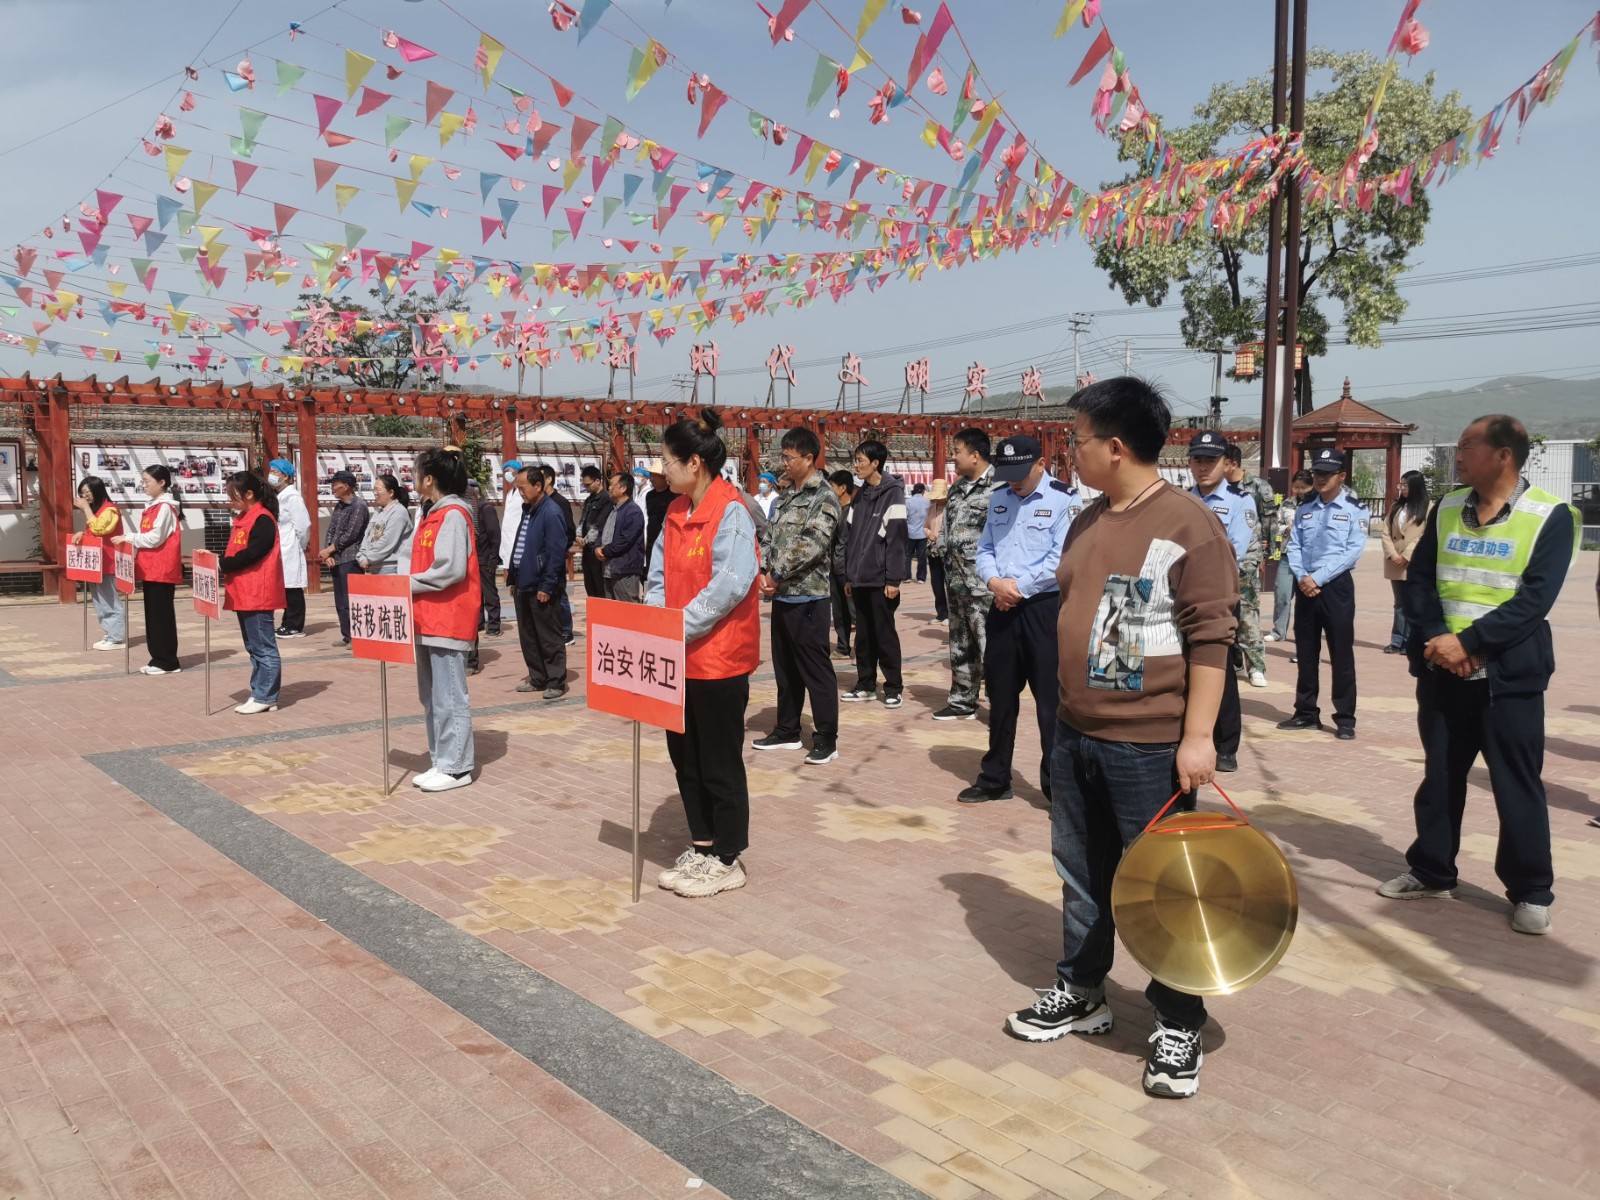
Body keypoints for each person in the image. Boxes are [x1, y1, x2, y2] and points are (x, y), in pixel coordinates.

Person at [1004, 377, 1238, 1102]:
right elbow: (1098, 616)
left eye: (1075, 439)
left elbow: (1212, 638)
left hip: (1148, 747)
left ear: (1114, 446)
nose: (1068, 452)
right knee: (1080, 874)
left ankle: (1178, 1020)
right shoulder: (1087, 519)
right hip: (1076, 733)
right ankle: (1082, 990)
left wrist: (1198, 737)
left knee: (1163, 886)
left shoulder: (1189, 526)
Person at [1380, 415, 1579, 935]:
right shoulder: (1447, 508)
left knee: (1516, 783)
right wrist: (1440, 639)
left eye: (1468, 446)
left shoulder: (1551, 516)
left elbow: (1534, 601)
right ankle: (1432, 871)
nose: (1458, 455)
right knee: (1441, 776)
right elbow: (1420, 581)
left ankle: (1531, 890)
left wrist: (1468, 643)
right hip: (1442, 669)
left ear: (1503, 455)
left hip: (1508, 679)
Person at [646, 409, 762, 899]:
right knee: (686, 758)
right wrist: (656, 618)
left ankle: (728, 857)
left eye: (668, 461)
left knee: (718, 761)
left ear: (694, 462)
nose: (663, 469)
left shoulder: (731, 511)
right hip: (677, 657)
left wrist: (679, 625)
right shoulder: (674, 510)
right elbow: (657, 575)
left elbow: (729, 585)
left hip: (718, 659)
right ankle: (703, 845)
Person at [958, 436, 1075, 804]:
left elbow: (1062, 559)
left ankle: (1057, 788)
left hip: (1043, 609)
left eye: (1022, 473)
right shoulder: (1000, 498)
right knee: (1001, 696)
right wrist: (995, 583)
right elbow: (985, 549)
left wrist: (1017, 589)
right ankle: (995, 778)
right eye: (1009, 474)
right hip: (1002, 607)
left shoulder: (1064, 499)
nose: (1015, 481)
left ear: (1041, 464)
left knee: (1049, 704)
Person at [753, 427, 843, 766]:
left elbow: (813, 544)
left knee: (815, 670)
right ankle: (787, 730)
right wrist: (764, 570)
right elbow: (769, 536)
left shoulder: (824, 497)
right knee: (785, 669)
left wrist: (775, 574)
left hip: (808, 598)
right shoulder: (787, 496)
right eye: (783, 457)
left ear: (808, 458)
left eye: (789, 458)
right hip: (782, 597)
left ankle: (826, 738)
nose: (785, 463)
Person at [1278, 447, 1368, 740]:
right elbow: (1294, 544)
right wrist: (1302, 576)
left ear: (1341, 476)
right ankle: (1306, 712)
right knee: (1306, 653)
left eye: (1327, 474)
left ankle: (1345, 718)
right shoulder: (1305, 508)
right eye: (1317, 472)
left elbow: (1352, 551)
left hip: (1335, 587)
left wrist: (1317, 577)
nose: (1320, 478)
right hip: (1306, 585)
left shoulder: (1355, 509)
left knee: (1341, 654)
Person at [409, 448, 481, 792]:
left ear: (429, 479)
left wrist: (406, 584)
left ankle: (456, 767)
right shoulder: (432, 513)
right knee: (431, 696)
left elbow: (450, 569)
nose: (412, 477)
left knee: (449, 695)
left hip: (448, 618)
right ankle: (441, 759)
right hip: (427, 616)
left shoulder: (453, 514)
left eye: (416, 472)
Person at [1186, 430, 1255, 772]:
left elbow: (1234, 550)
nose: (1203, 467)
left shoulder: (1241, 502)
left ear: (1226, 464)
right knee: (1183, 667)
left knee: (1219, 669)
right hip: (1183, 595)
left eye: (1211, 461)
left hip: (1218, 596)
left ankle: (1226, 744)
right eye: (1198, 460)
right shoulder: (1182, 500)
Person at [935, 429, 998, 720]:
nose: (953, 457)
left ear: (975, 455)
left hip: (983, 584)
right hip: (956, 580)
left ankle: (1000, 707)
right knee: (960, 644)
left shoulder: (999, 488)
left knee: (990, 646)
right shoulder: (958, 487)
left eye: (957, 451)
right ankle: (962, 700)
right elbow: (948, 527)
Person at [841, 439, 909, 707]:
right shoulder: (860, 496)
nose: (856, 465)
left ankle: (893, 687)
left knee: (884, 635)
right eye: (855, 460)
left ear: (875, 463)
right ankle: (865, 684)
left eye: (860, 460)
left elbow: (897, 540)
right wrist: (849, 576)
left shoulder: (893, 494)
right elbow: (850, 538)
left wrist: (893, 579)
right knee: (863, 636)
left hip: (881, 580)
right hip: (859, 579)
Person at [219, 472, 285, 715]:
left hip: (258, 592)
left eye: (233, 495)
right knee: (253, 646)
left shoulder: (263, 519)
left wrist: (221, 564)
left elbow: (252, 553)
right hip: (244, 590)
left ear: (249, 494)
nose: (229, 500)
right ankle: (260, 692)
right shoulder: (244, 517)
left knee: (263, 646)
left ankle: (265, 695)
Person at [112, 465, 183, 674]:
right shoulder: (154, 506)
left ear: (161, 483)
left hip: (161, 568)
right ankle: (158, 658)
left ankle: (168, 661)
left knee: (161, 616)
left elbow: (155, 538)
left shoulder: (165, 507)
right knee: (153, 616)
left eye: (147, 481)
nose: (143, 485)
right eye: (142, 481)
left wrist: (128, 537)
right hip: (151, 567)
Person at [506, 466, 570, 698]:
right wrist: (513, 576)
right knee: (528, 635)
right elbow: (521, 544)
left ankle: (556, 681)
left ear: (538, 486)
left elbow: (555, 553)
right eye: (518, 488)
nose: (520, 492)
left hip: (541, 585)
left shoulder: (551, 512)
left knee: (548, 635)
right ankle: (537, 677)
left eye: (523, 488)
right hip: (524, 582)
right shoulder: (529, 510)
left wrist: (547, 585)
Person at [1223, 442, 1272, 687]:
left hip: (1247, 561)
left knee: (1248, 613)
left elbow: (1269, 521)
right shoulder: (1214, 490)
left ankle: (1256, 666)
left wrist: (1266, 555)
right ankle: (1235, 661)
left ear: (1230, 463)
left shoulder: (1258, 487)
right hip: (1219, 562)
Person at [71, 476, 125, 650]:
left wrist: (86, 509)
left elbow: (100, 529)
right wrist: (82, 533)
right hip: (96, 563)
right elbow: (94, 531)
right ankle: (110, 633)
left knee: (109, 600)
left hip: (108, 562)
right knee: (99, 601)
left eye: (88, 492)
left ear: (98, 490)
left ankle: (117, 637)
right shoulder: (98, 511)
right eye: (82, 493)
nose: (85, 496)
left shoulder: (110, 510)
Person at [1380, 470, 1429, 654]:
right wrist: (1393, 554)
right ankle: (1397, 641)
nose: (1402, 488)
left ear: (1416, 486)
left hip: (1414, 562)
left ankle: (1410, 642)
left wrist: (1407, 555)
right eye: (1400, 484)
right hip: (1395, 563)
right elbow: (1386, 532)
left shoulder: (1428, 508)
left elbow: (1425, 535)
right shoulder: (1396, 507)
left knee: (1413, 603)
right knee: (1400, 603)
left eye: (1405, 485)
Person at [320, 470, 368, 646]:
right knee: (340, 601)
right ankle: (347, 635)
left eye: (335, 484)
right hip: (336, 559)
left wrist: (329, 550)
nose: (333, 488)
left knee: (352, 600)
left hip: (351, 559)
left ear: (346, 486)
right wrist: (328, 554)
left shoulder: (358, 506)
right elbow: (331, 530)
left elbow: (351, 534)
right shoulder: (339, 506)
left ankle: (357, 637)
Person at [1267, 471, 1313, 643]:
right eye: (1296, 487)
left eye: (1303, 487)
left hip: (1308, 556)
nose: (1299, 491)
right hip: (1288, 554)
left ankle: (1305, 634)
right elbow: (1276, 525)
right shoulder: (1287, 503)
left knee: (1306, 597)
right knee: (1282, 593)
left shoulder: (1316, 503)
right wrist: (1287, 528)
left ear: (1311, 486)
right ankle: (1279, 631)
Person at [269, 460, 311, 639]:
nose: (271, 475)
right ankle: (287, 623)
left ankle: (295, 625)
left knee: (293, 587)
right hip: (283, 547)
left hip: (291, 546)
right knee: (286, 587)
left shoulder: (293, 497)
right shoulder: (280, 496)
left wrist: (300, 545)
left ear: (285, 476)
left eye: (274, 472)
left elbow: (303, 525)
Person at [539, 464, 578, 645]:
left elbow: (570, 530)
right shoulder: (538, 502)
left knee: (559, 593)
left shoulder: (560, 502)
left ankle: (566, 631)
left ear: (548, 479)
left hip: (555, 556)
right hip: (541, 558)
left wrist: (560, 550)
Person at [598, 471, 647, 602]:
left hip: (625, 571)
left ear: (623, 488)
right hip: (610, 569)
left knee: (627, 609)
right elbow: (604, 533)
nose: (609, 488)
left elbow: (625, 541)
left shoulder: (632, 511)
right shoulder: (614, 509)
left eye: (612, 485)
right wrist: (597, 548)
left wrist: (604, 551)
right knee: (611, 611)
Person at [826, 470, 857, 659]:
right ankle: (843, 647)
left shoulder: (854, 511)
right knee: (839, 611)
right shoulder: (835, 510)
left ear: (843, 488)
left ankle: (860, 651)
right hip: (834, 567)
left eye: (832, 486)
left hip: (848, 569)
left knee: (855, 612)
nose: (829, 490)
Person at [357, 474, 412, 575]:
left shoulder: (399, 512)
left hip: (391, 567)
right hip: (375, 565)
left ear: (391, 492)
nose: (375, 493)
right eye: (374, 490)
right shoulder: (379, 512)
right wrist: (362, 556)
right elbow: (367, 536)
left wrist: (368, 558)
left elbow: (387, 541)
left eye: (378, 490)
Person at [471, 479, 502, 637]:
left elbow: (495, 536)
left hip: (486, 557)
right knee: (476, 594)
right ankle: (479, 623)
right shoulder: (471, 509)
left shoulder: (486, 508)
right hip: (474, 558)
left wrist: (493, 559)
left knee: (489, 594)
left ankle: (494, 625)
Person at [575, 465, 611, 599]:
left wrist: (585, 539)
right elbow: (583, 519)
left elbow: (600, 524)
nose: (587, 487)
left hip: (597, 547)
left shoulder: (606, 499)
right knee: (589, 584)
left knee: (599, 585)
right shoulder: (589, 500)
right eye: (584, 485)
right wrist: (578, 535)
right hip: (586, 548)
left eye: (588, 484)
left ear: (597, 481)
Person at [924, 479, 950, 623]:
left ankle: (950, 614)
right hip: (932, 549)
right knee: (936, 582)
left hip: (946, 549)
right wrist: (929, 534)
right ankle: (941, 613)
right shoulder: (931, 508)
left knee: (948, 582)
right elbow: (925, 526)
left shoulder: (950, 508)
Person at [497, 458, 526, 566]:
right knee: (507, 566)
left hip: (517, 536)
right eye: (505, 472)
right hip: (507, 536)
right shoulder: (510, 493)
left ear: (516, 471)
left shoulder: (523, 492)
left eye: (508, 471)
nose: (506, 474)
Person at [643, 459, 674, 559]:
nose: (652, 478)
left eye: (656, 475)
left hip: (667, 540)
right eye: (651, 475)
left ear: (665, 477)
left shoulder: (674, 495)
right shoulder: (649, 495)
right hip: (651, 539)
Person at [905, 483, 931, 583]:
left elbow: (905, 517)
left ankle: (907, 577)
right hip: (923, 533)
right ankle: (921, 577)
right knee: (921, 556)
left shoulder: (908, 502)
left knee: (908, 556)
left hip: (910, 532)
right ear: (923, 491)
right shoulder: (927, 502)